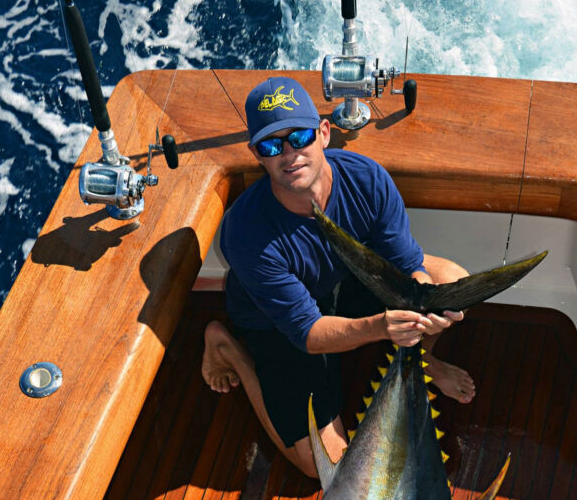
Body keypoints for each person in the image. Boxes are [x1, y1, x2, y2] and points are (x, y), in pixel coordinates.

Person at [202, 76, 475, 478]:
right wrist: (385, 326)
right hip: (280, 328)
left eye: (299, 137)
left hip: (343, 284)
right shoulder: (246, 235)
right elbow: (309, 334)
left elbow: (409, 268)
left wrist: (424, 300)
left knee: (453, 281)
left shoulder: (368, 179)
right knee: (322, 468)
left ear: (324, 133)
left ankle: (423, 358)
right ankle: (230, 350)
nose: (289, 154)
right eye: (271, 146)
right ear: (257, 155)